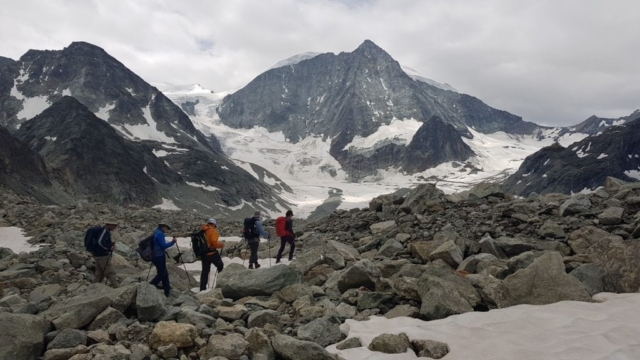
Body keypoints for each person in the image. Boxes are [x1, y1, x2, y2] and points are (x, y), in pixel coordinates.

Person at [85, 219, 119, 287]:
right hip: (102, 254)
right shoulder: (104, 231)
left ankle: (94, 286)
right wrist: (109, 248)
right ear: (109, 225)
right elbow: (100, 242)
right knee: (110, 271)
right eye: (114, 225)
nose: (115, 227)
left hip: (97, 254)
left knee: (99, 273)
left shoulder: (105, 230)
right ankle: (115, 285)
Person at [149, 222, 177, 297]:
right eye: (166, 228)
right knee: (161, 274)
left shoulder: (155, 231)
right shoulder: (160, 234)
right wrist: (172, 242)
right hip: (159, 256)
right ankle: (149, 286)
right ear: (163, 227)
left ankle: (167, 291)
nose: (166, 230)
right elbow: (163, 245)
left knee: (164, 274)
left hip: (155, 256)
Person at [200, 218, 224, 291]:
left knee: (205, 271)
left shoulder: (202, 230)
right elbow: (214, 242)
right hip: (212, 253)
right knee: (220, 266)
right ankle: (221, 284)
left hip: (203, 254)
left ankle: (202, 288)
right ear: (214, 224)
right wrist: (221, 245)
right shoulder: (213, 231)